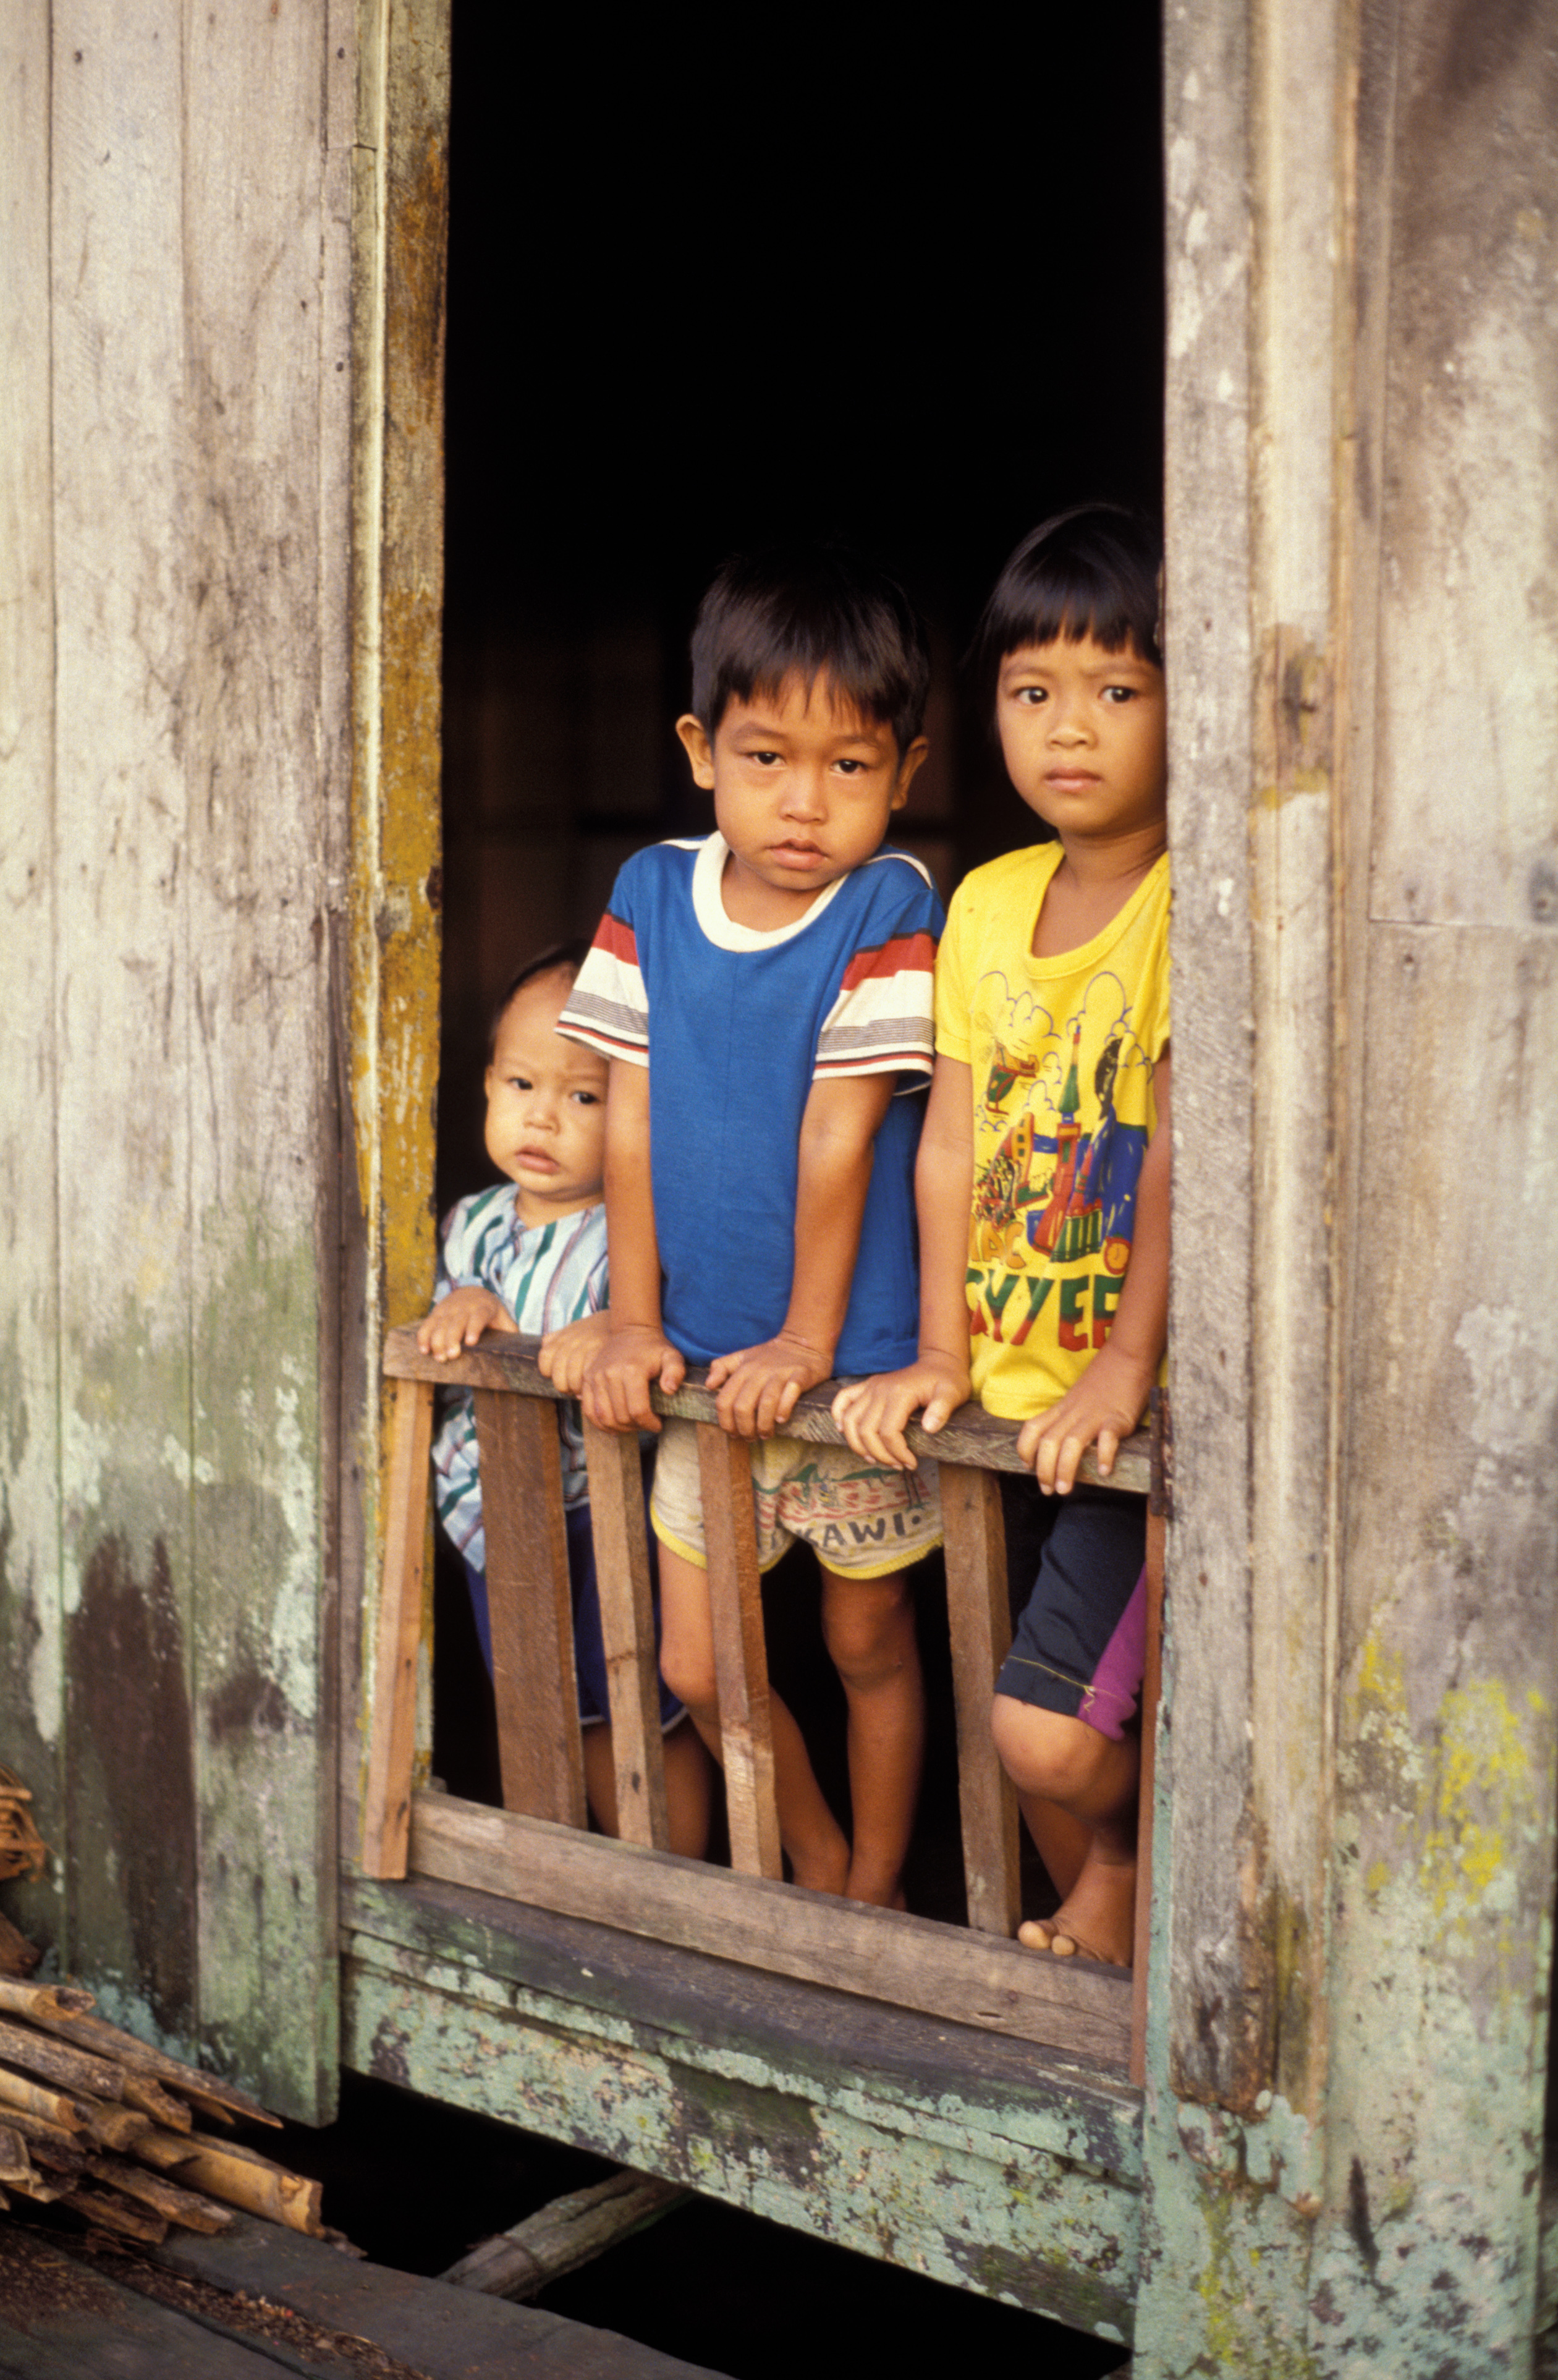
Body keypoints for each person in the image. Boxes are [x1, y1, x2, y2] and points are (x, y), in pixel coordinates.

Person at [559, 547, 947, 1907]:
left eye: (848, 765)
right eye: (767, 754)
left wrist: (808, 1335)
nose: (803, 800)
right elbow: (629, 1120)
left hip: (847, 1372)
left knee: (865, 1642)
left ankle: (881, 1889)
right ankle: (828, 1864)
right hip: (703, 1370)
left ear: (903, 770)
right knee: (696, 1664)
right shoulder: (652, 895)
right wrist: (629, 1312)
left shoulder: (891, 903)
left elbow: (843, 1132)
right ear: (699, 749)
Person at [834, 506, 1169, 1968]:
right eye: (1032, 691)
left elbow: (1186, 1162)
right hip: (1011, 1397)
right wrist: (938, 1348)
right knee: (1035, 1706)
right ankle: (1112, 1948)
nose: (1068, 728)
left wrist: (1124, 1370)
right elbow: (954, 1141)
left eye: (1116, 689)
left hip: (1127, 1420)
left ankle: (1130, 1869)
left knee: (1045, 1733)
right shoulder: (981, 904)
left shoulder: (1197, 904)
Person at [417, 946, 711, 1856]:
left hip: (599, 1513)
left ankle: (671, 1873)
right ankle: (584, 1869)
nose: (542, 1115)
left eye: (585, 1097)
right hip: (491, 1517)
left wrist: (619, 1325)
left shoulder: (640, 1230)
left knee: (637, 1705)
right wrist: (459, 1303)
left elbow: (674, 1330)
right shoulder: (469, 1221)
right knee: (546, 1699)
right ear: (486, 1085)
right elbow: (439, 1323)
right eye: (520, 1083)